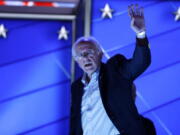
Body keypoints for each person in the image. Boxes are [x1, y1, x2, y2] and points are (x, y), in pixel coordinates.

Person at [70, 4, 151, 135]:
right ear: (76, 60)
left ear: (100, 54)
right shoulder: (76, 87)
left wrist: (140, 34)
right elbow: (76, 122)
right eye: (80, 55)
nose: (85, 58)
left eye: (89, 52)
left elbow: (140, 63)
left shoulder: (115, 70)